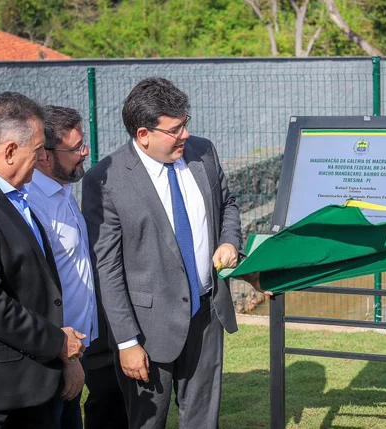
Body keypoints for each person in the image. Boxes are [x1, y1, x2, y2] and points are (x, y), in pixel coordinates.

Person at [82, 77, 244, 429]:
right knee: (146, 422)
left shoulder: (204, 151)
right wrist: (126, 342)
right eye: (175, 129)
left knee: (203, 420)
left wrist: (230, 241)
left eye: (185, 123)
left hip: (206, 314)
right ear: (143, 135)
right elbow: (106, 269)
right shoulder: (105, 180)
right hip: (147, 330)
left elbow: (228, 205)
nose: (185, 134)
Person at [0, 92, 85, 428]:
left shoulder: (11, 194)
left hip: (33, 385)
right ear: (9, 150)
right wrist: (56, 342)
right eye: (37, 152)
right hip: (0, 399)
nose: (40, 161)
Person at [26, 105, 107, 429]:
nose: (85, 151)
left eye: (83, 142)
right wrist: (65, 356)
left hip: (76, 347)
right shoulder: (34, 204)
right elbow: (37, 290)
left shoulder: (63, 190)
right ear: (45, 156)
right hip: (56, 351)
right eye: (75, 148)